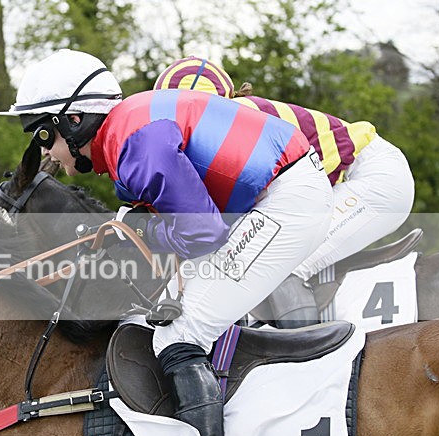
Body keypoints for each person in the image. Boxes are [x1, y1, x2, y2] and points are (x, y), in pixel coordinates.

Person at [0, 49, 334, 436]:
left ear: (72, 120)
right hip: (278, 194)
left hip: (285, 202)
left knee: (180, 333)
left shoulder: (132, 143)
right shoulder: (128, 130)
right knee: (170, 317)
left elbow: (201, 232)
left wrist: (140, 230)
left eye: (43, 136)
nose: (46, 153)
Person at [155, 56, 416, 327]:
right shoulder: (221, 123)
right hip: (358, 173)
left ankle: (308, 361)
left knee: (279, 264)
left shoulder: (231, 122)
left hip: (374, 177)